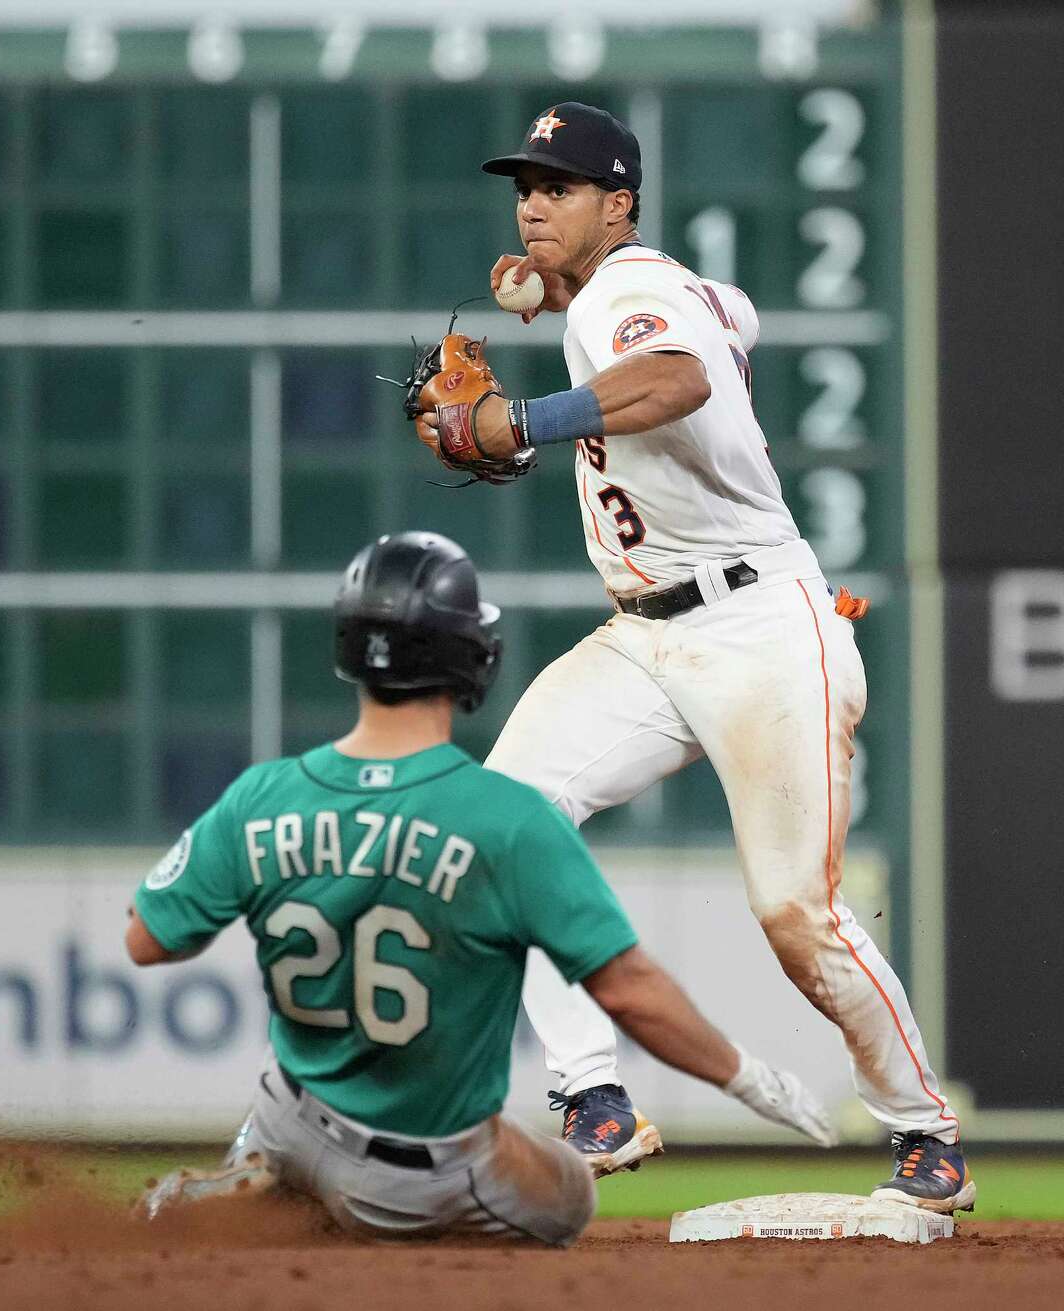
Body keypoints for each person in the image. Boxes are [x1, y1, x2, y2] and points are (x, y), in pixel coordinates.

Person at [414, 102, 973, 1214]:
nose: (531, 202)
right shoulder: (640, 290)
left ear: (616, 204)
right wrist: (568, 300)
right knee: (501, 825)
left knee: (793, 914)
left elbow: (680, 378)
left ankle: (927, 1136)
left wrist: (522, 417)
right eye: (525, 185)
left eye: (560, 187)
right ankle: (592, 1100)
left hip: (763, 630)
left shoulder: (634, 293)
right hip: (647, 636)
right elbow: (737, 318)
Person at [126, 531, 832, 1244]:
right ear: (468, 654)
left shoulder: (262, 794)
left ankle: (258, 1181)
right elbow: (628, 989)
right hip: (415, 1171)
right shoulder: (507, 815)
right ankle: (357, 1209)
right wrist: (744, 1077)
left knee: (302, 1115)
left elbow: (145, 938)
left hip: (284, 1116)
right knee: (563, 1195)